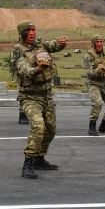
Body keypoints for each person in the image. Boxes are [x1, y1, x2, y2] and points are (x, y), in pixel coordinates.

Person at [11, 21, 67, 178]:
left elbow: (53, 46)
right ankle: (27, 163)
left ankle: (39, 158)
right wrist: (38, 69)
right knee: (38, 127)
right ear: (22, 34)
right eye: (28, 31)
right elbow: (25, 70)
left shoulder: (41, 45)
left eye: (33, 30)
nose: (32, 33)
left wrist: (61, 43)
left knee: (51, 130)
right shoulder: (17, 51)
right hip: (30, 97)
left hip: (47, 95)